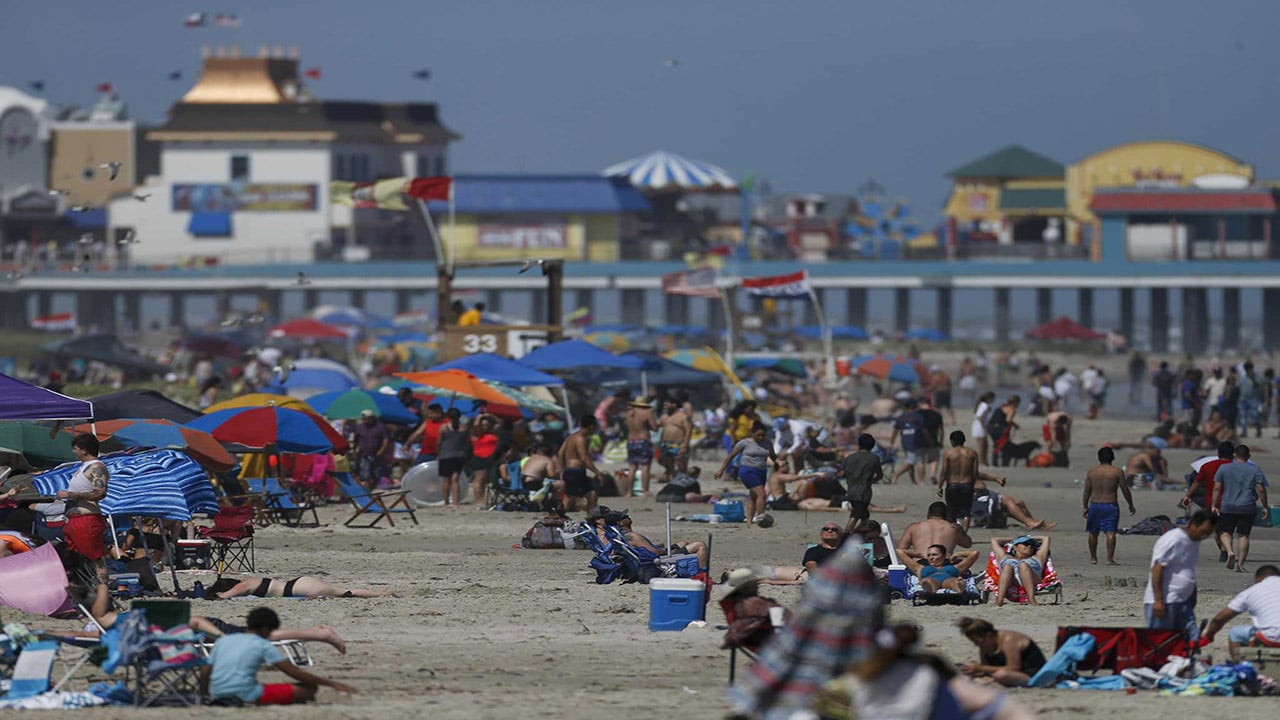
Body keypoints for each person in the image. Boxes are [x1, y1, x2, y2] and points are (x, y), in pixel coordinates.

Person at [68, 583, 347, 653]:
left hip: (208, 628)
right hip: (204, 626)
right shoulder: (128, 621)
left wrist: (225, 643)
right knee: (256, 635)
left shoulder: (116, 625)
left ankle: (320, 633)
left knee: (255, 637)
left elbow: (198, 622)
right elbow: (87, 634)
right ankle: (318, 633)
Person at [202, 607, 357, 705]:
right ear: (265, 629)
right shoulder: (262, 644)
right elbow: (295, 673)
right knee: (308, 689)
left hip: (217, 694)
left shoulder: (224, 642)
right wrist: (332, 684)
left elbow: (206, 671)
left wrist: (204, 695)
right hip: (247, 696)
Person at [1143, 510, 1217, 640]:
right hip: (1166, 600)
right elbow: (1157, 568)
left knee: (1191, 640)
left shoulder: (1194, 541)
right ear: (1193, 524)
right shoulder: (1173, 539)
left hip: (1183, 601)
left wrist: (1192, 595)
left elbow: (1188, 568)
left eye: (1209, 533)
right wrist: (1158, 600)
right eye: (1203, 531)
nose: (1205, 536)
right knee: (1161, 641)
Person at [56, 433, 109, 585]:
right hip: (73, 519)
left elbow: (100, 493)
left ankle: (103, 590)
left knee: (95, 557)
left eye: (76, 448)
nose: (74, 451)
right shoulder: (82, 468)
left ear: (84, 450)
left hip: (87, 519)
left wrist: (70, 494)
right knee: (74, 558)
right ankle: (80, 588)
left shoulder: (97, 467)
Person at [1201, 565, 1280, 661]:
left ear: (1258, 579)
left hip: (1269, 639)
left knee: (1235, 632)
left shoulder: (1252, 591)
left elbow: (1220, 619)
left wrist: (1209, 635)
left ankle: (1240, 666)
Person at [1211, 443, 1270, 573]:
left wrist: (1214, 504)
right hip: (1247, 506)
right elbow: (1260, 489)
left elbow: (1216, 487)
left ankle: (1230, 551)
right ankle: (1240, 565)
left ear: (1234, 455)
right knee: (1244, 535)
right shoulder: (1254, 469)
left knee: (1225, 532)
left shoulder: (1224, 468)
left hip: (1228, 505)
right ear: (1248, 456)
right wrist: (1265, 506)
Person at [716, 423, 779, 526]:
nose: (760, 437)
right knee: (762, 495)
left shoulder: (767, 443)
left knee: (753, 496)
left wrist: (778, 463)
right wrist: (721, 470)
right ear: (752, 433)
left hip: (762, 471)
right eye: (758, 435)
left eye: (763, 435)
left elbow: (773, 456)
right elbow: (730, 456)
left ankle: (749, 521)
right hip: (747, 471)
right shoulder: (744, 443)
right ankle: (761, 519)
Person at [956, 617, 1047, 688]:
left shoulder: (1009, 640)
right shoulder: (985, 644)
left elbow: (1013, 668)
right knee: (966, 678)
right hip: (1009, 675)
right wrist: (975, 670)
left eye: (978, 642)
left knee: (1001, 675)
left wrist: (981, 668)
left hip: (1032, 675)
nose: (977, 645)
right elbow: (987, 667)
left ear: (988, 635)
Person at [1182, 440, 1235, 561]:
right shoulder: (1238, 467)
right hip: (1233, 502)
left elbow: (1196, 483)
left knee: (1218, 529)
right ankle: (1225, 550)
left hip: (1212, 502)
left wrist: (1187, 496)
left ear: (1218, 453)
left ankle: (1224, 550)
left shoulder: (1207, 466)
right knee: (1228, 529)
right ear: (1233, 454)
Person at [1082, 446, 1135, 565]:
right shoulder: (1117, 472)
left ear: (1099, 458)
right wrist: (1130, 504)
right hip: (1110, 505)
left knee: (1093, 532)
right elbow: (1125, 489)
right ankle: (1109, 559)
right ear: (1113, 457)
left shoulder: (1092, 472)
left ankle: (1093, 558)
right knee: (1110, 533)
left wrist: (1085, 506)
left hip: (1095, 505)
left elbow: (1087, 491)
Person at [615, 515, 707, 570]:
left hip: (655, 555)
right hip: (658, 560)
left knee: (683, 543)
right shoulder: (633, 536)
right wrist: (668, 551)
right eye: (624, 517)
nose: (628, 516)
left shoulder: (622, 536)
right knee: (700, 545)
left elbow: (643, 548)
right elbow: (652, 553)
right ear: (620, 523)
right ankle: (702, 574)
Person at [558, 415, 604, 511]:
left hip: (570, 470)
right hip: (576, 471)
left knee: (591, 494)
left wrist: (562, 469)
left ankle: (591, 517)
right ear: (591, 426)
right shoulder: (581, 438)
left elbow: (560, 453)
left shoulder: (571, 437)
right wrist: (597, 472)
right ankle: (559, 516)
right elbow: (584, 458)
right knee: (571, 498)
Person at [897, 502, 973, 560]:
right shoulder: (953, 528)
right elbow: (967, 544)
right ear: (946, 515)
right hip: (944, 564)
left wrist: (915, 555)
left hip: (921, 564)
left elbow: (900, 549)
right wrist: (962, 531)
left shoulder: (914, 527)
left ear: (928, 514)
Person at [215, 576, 398, 599]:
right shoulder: (251, 581)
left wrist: (220, 594)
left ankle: (382, 594)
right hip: (300, 583)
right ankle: (382, 593)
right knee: (344, 592)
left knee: (344, 594)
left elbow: (225, 596)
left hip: (297, 588)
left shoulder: (245, 584)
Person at [990, 535, 1051, 606]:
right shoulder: (1004, 556)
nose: (1029, 546)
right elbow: (994, 539)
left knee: (1023, 565)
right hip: (1011, 579)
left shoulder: (1038, 556)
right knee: (1007, 566)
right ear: (1015, 547)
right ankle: (1000, 599)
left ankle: (1031, 599)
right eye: (1025, 544)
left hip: (1032, 578)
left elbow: (1046, 538)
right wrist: (1015, 539)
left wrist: (1028, 537)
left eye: (1032, 545)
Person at [937, 430, 980, 532]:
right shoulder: (972, 453)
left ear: (952, 441)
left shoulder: (948, 453)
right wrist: (973, 484)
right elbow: (975, 472)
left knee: (951, 511)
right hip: (967, 484)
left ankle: (952, 533)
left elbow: (944, 471)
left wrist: (940, 486)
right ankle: (964, 534)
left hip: (952, 484)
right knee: (966, 512)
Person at [839, 433, 882, 526]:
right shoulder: (874, 458)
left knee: (865, 515)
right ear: (872, 445)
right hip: (863, 492)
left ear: (859, 444)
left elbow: (841, 474)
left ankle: (863, 533)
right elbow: (879, 475)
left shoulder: (849, 458)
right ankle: (845, 534)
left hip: (851, 491)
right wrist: (871, 480)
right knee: (855, 515)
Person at [901, 543, 981, 593]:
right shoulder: (919, 568)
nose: (931, 557)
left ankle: (958, 586)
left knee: (954, 581)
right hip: (931, 580)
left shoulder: (956, 567)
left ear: (944, 556)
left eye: (934, 555)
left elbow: (975, 553)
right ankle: (930, 588)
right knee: (928, 581)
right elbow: (900, 552)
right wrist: (917, 554)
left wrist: (958, 554)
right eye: (929, 555)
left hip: (948, 580)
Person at [435, 408, 471, 508]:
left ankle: (446, 502)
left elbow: (439, 442)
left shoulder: (444, 427)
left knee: (446, 479)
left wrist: (438, 454)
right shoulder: (464, 427)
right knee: (455, 479)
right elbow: (467, 442)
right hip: (459, 455)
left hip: (446, 455)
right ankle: (455, 502)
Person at [623, 398, 658, 497]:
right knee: (645, 467)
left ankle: (629, 492)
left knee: (632, 467)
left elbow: (626, 426)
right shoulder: (646, 413)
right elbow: (654, 428)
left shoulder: (629, 414)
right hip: (643, 441)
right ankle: (645, 491)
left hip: (631, 441)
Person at [351, 410, 390, 490]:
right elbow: (356, 440)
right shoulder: (360, 427)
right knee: (365, 474)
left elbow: (385, 439)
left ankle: (372, 488)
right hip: (364, 454)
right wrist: (354, 451)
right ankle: (367, 491)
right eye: (364, 419)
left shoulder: (380, 427)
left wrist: (382, 450)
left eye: (368, 419)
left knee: (376, 474)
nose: (366, 421)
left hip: (376, 454)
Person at [889, 400, 925, 484]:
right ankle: (896, 475)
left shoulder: (901, 417)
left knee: (911, 460)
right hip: (916, 441)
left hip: (905, 441)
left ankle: (913, 481)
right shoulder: (919, 417)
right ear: (915, 407)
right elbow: (923, 430)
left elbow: (895, 431)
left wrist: (892, 442)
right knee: (915, 461)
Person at [657, 397, 692, 481]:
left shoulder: (683, 416)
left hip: (679, 443)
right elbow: (655, 426)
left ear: (674, 405)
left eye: (667, 404)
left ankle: (683, 480)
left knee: (681, 464)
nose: (665, 407)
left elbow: (689, 430)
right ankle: (672, 478)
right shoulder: (664, 417)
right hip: (665, 443)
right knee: (666, 463)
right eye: (664, 405)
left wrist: (685, 445)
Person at [917, 396, 945, 484]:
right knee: (934, 459)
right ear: (930, 403)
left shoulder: (916, 413)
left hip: (919, 440)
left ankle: (922, 481)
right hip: (933, 440)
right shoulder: (936, 414)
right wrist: (941, 441)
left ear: (921, 403)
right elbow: (941, 430)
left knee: (920, 460)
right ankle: (932, 474)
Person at [988, 395, 1019, 467]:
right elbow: (1008, 420)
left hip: (991, 428)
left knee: (996, 445)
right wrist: (1015, 425)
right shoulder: (1012, 409)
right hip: (1001, 429)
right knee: (1004, 445)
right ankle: (1005, 463)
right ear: (1015, 402)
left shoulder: (1001, 407)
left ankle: (995, 462)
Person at [971, 391, 996, 468]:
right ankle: (981, 463)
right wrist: (984, 426)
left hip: (977, 426)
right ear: (989, 398)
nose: (994, 400)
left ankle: (984, 461)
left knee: (985, 445)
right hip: (980, 427)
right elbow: (980, 417)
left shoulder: (982, 404)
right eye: (993, 399)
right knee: (981, 446)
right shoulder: (984, 405)